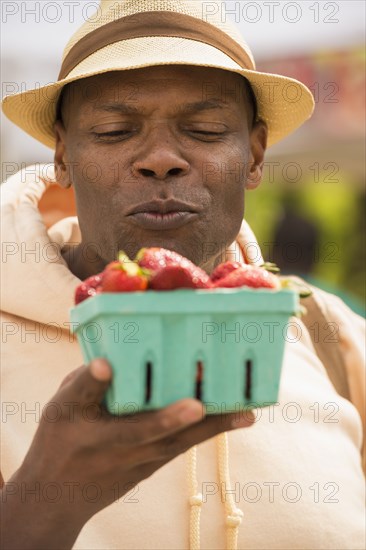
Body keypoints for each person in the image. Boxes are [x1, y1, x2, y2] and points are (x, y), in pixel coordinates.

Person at [1, 1, 365, 549]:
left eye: (205, 129)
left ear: (255, 154)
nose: (161, 159)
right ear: (61, 155)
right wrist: (43, 501)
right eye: (115, 130)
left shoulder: (333, 341)